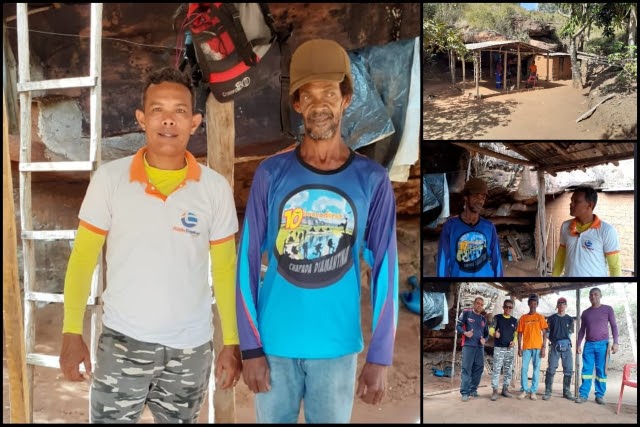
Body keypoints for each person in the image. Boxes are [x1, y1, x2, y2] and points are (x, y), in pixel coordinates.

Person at [58, 67, 242, 423]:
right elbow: (83, 259)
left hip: (190, 350)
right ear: (141, 119)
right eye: (158, 110)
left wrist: (230, 341)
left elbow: (224, 269)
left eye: (180, 111)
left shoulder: (213, 188)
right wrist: (70, 331)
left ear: (195, 122)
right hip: (123, 343)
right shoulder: (110, 180)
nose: (168, 121)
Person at [235, 39, 399, 423]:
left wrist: (380, 355)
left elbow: (386, 271)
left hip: (337, 349)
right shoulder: (271, 174)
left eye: (329, 92)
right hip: (274, 346)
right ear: (297, 105)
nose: (319, 104)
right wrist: (250, 347)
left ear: (345, 99)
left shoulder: (371, 180)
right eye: (307, 95)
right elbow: (246, 262)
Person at [436, 177, 503, 277]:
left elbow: (496, 259)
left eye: (483, 198)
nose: (480, 201)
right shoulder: (450, 227)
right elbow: (443, 260)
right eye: (476, 196)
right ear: (466, 197)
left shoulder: (489, 227)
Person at [552, 185, 621, 277]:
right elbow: (561, 257)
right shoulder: (565, 226)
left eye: (576, 201)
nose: (571, 204)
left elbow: (614, 267)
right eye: (571, 200)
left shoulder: (607, 231)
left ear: (590, 205)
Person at [575, 287, 619, 404]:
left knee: (601, 371)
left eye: (595, 294)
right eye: (591, 295)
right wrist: (578, 344)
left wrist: (616, 342)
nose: (593, 296)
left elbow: (614, 326)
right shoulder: (585, 313)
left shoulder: (608, 309)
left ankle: (599, 395)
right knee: (586, 371)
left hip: (603, 345)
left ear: (600, 296)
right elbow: (581, 330)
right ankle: (583, 395)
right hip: (588, 345)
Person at [456, 297, 489, 402]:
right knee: (466, 369)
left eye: (481, 304)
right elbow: (458, 326)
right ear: (474, 304)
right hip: (468, 345)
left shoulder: (483, 319)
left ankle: (473, 389)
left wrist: (485, 339)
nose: (479, 305)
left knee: (479, 368)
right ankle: (465, 392)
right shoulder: (466, 313)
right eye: (478, 303)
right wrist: (465, 333)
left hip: (479, 347)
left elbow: (487, 334)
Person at [517, 294, 548, 400]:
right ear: (528, 304)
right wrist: (519, 347)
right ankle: (524, 390)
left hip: (538, 347)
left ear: (537, 304)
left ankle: (533, 391)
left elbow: (545, 333)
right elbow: (519, 333)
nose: (533, 305)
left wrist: (544, 347)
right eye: (531, 303)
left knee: (536, 369)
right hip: (526, 347)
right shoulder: (523, 318)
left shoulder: (540, 317)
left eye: (535, 303)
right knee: (524, 369)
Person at [543, 297, 575, 400]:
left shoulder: (570, 319)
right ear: (557, 306)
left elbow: (570, 333)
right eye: (559, 303)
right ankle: (548, 391)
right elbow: (547, 333)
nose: (561, 305)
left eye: (563, 303)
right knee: (551, 368)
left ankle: (566, 391)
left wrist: (564, 342)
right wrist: (553, 341)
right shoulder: (551, 318)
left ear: (566, 305)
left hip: (567, 346)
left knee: (568, 369)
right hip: (555, 346)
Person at [489, 299, 518, 401]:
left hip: (509, 349)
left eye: (510, 307)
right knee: (496, 369)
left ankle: (505, 389)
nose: (508, 309)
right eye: (506, 306)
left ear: (512, 308)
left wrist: (514, 342)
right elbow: (491, 329)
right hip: (499, 348)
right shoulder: (497, 318)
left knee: (508, 370)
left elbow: (516, 334)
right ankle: (495, 390)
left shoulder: (514, 320)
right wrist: (494, 334)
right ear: (503, 307)